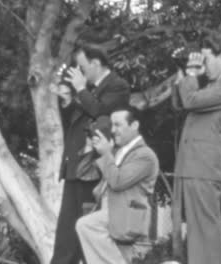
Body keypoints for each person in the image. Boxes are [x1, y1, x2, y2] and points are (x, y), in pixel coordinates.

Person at [49, 41, 130, 264]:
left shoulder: (117, 86)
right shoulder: (89, 90)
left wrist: (81, 90)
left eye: (82, 67)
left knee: (86, 233)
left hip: (93, 170)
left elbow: (100, 113)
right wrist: (67, 99)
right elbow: (77, 122)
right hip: (75, 167)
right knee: (66, 234)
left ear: (95, 63)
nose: (80, 73)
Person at [171, 33, 221, 264]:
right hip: (193, 167)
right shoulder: (214, 85)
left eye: (206, 59)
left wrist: (192, 74)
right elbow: (180, 104)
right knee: (197, 235)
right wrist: (184, 76)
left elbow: (191, 101)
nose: (203, 66)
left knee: (206, 234)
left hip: (203, 169)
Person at [75, 106, 159, 264]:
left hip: (126, 216)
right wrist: (90, 148)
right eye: (112, 125)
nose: (113, 130)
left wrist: (106, 154)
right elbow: (83, 174)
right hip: (110, 212)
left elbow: (117, 182)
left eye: (118, 125)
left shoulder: (145, 155)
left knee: (85, 225)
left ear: (134, 125)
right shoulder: (118, 151)